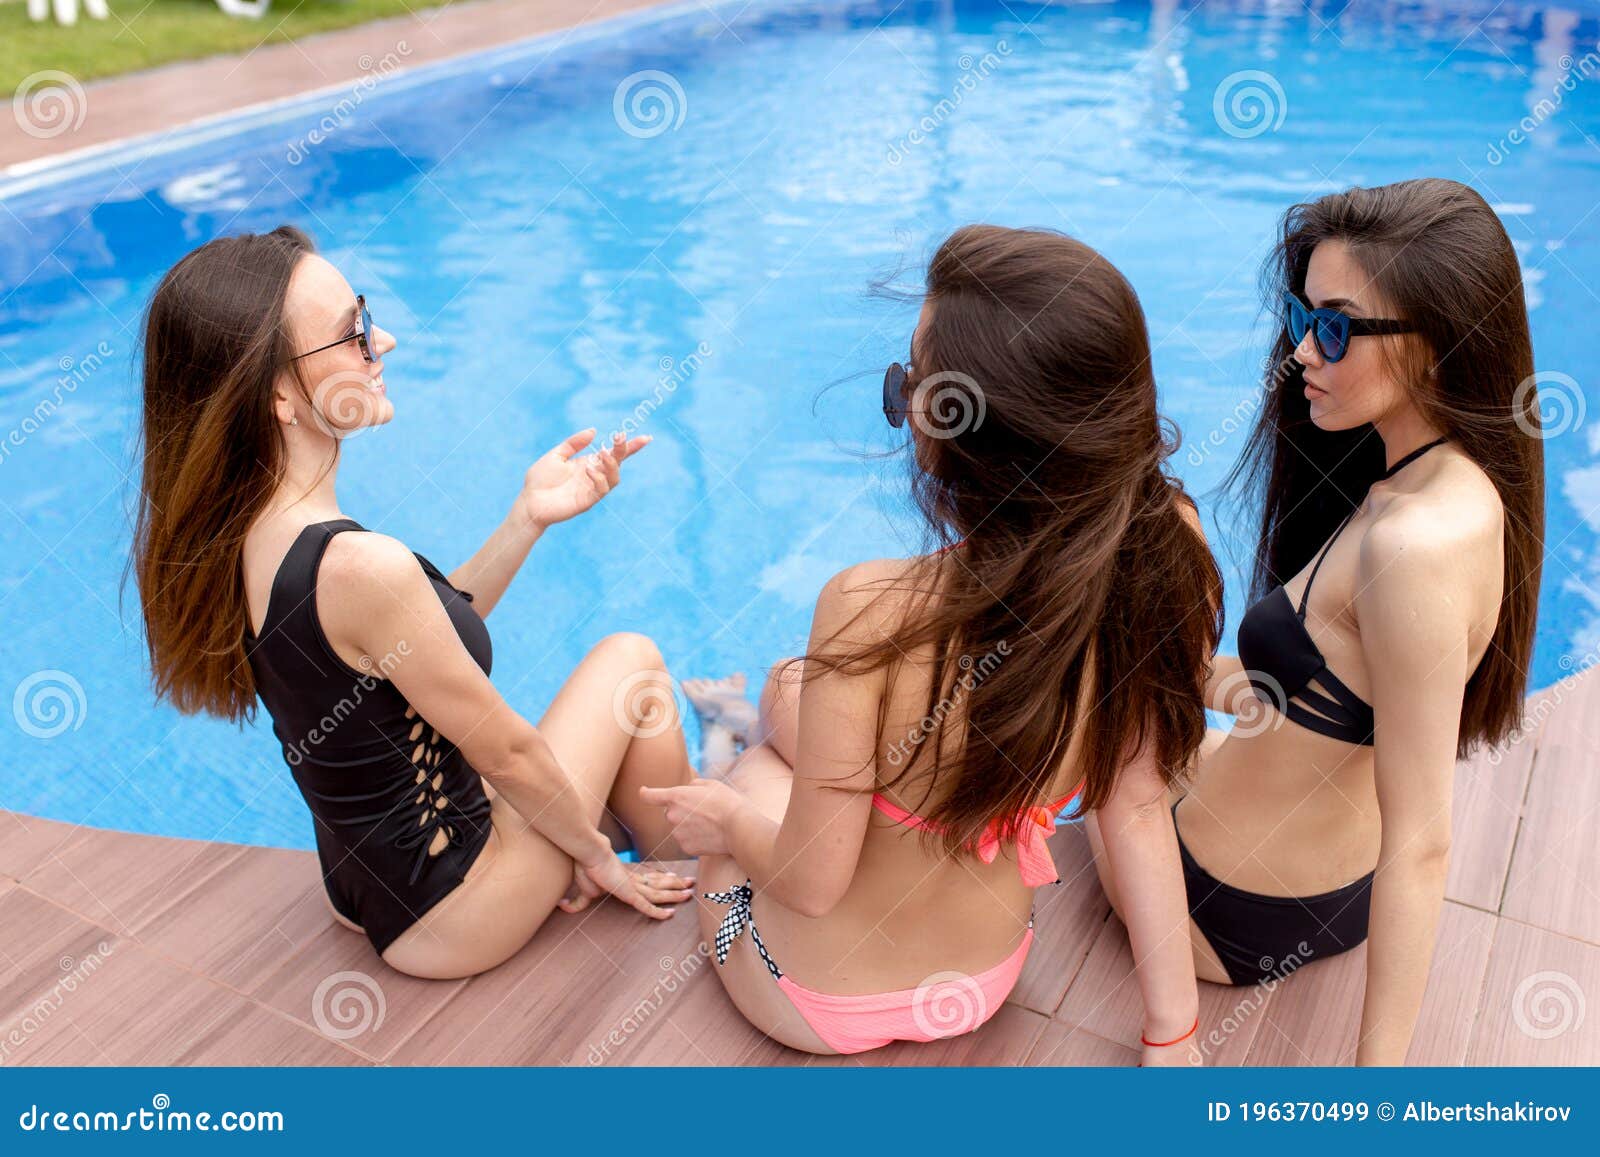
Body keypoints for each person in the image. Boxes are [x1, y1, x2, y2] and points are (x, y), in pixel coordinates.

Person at [646, 224, 1222, 1063]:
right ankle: (755, 716)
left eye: (910, 385)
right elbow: (1133, 803)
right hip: (986, 980)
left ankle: (733, 745)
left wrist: (729, 821)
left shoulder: (871, 607)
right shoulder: (1172, 552)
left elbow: (811, 881)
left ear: (959, 431)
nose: (907, 403)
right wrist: (1175, 1033)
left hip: (816, 998)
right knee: (792, 690)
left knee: (753, 771)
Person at [132, 226, 697, 980]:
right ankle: (697, 879)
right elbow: (509, 751)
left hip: (361, 885)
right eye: (353, 334)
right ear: (278, 396)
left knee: (610, 764)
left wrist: (527, 517)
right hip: (453, 909)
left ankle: (671, 819)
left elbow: (410, 646)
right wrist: (595, 862)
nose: (385, 341)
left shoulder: (245, 537)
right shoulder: (360, 566)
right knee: (635, 664)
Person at [1092, 178, 1542, 1065]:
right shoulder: (1462, 486)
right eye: (1305, 317)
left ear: (1437, 342)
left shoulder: (1407, 545)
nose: (1301, 350)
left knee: (1105, 758)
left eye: (1334, 327)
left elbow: (1422, 843)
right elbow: (1318, 698)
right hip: (1329, 882)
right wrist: (1188, 668)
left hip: (1226, 908)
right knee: (1147, 705)